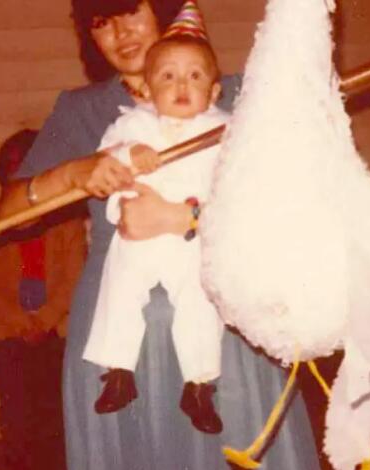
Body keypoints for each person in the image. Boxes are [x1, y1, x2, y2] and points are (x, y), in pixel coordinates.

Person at [2, 1, 340, 470]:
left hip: (225, 319)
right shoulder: (84, 110)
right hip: (118, 341)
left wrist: (185, 218)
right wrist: (72, 173)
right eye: (101, 22)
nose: (119, 33)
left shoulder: (233, 94)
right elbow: (5, 212)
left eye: (131, 12)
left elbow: (293, 202)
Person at [83, 22, 227, 434]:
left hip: (191, 240)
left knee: (201, 301)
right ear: (147, 89)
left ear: (214, 92)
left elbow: (235, 189)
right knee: (120, 288)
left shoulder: (224, 131)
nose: (182, 84)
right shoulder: (133, 126)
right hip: (138, 237)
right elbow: (105, 161)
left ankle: (199, 384)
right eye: (167, 76)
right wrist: (131, 154)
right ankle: (118, 371)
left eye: (195, 76)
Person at [0, 129, 86, 470]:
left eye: (27, 163)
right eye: (10, 165)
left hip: (55, 328)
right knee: (17, 408)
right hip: (6, 331)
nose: (18, 171)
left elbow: (74, 274)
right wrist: (23, 323)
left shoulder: (64, 217)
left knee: (54, 405)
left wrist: (45, 320)